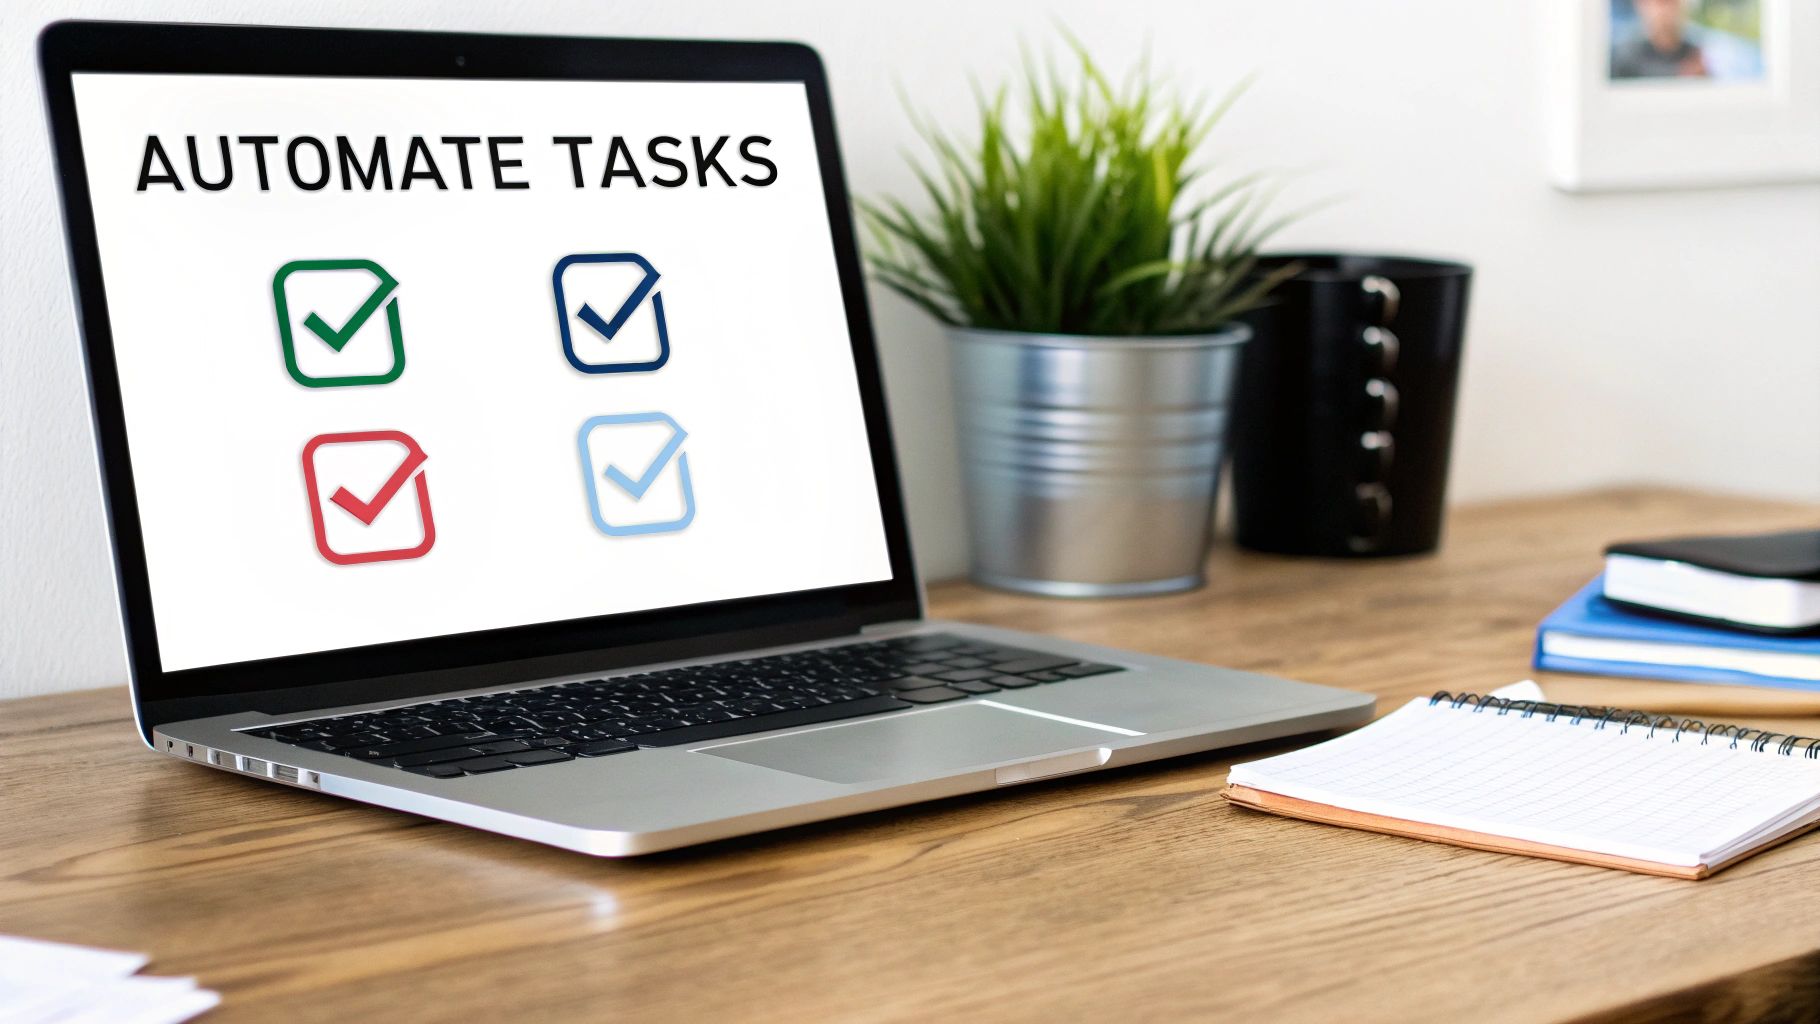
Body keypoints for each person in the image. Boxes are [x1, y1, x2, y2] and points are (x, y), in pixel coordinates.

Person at [1611, 0, 1711, 79]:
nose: (1665, 10)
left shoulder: (1698, 52)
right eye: (1659, 2)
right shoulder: (1624, 55)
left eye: (1671, 2)